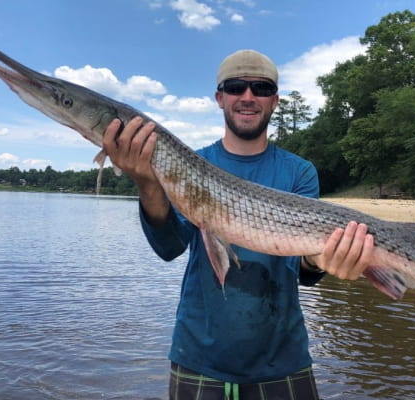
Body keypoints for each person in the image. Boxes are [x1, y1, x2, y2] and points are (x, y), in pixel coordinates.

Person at [103, 49, 374, 399]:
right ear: (220, 98)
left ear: (274, 101)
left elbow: (304, 269)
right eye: (236, 87)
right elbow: (170, 247)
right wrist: (146, 182)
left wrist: (325, 260)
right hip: (198, 357)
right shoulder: (194, 163)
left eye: (261, 89)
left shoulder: (299, 171)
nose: (248, 97)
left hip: (283, 360)